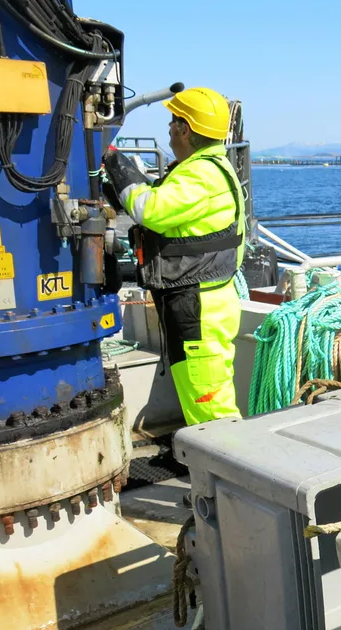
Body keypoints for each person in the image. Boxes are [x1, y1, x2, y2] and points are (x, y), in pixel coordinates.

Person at [102, 87, 245, 428]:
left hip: (199, 308)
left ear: (185, 129)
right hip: (197, 302)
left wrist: (113, 162)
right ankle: (209, 468)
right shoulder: (200, 169)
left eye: (172, 122)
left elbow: (149, 208)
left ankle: (228, 472)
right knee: (202, 399)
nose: (168, 129)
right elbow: (158, 200)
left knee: (212, 408)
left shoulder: (201, 174)